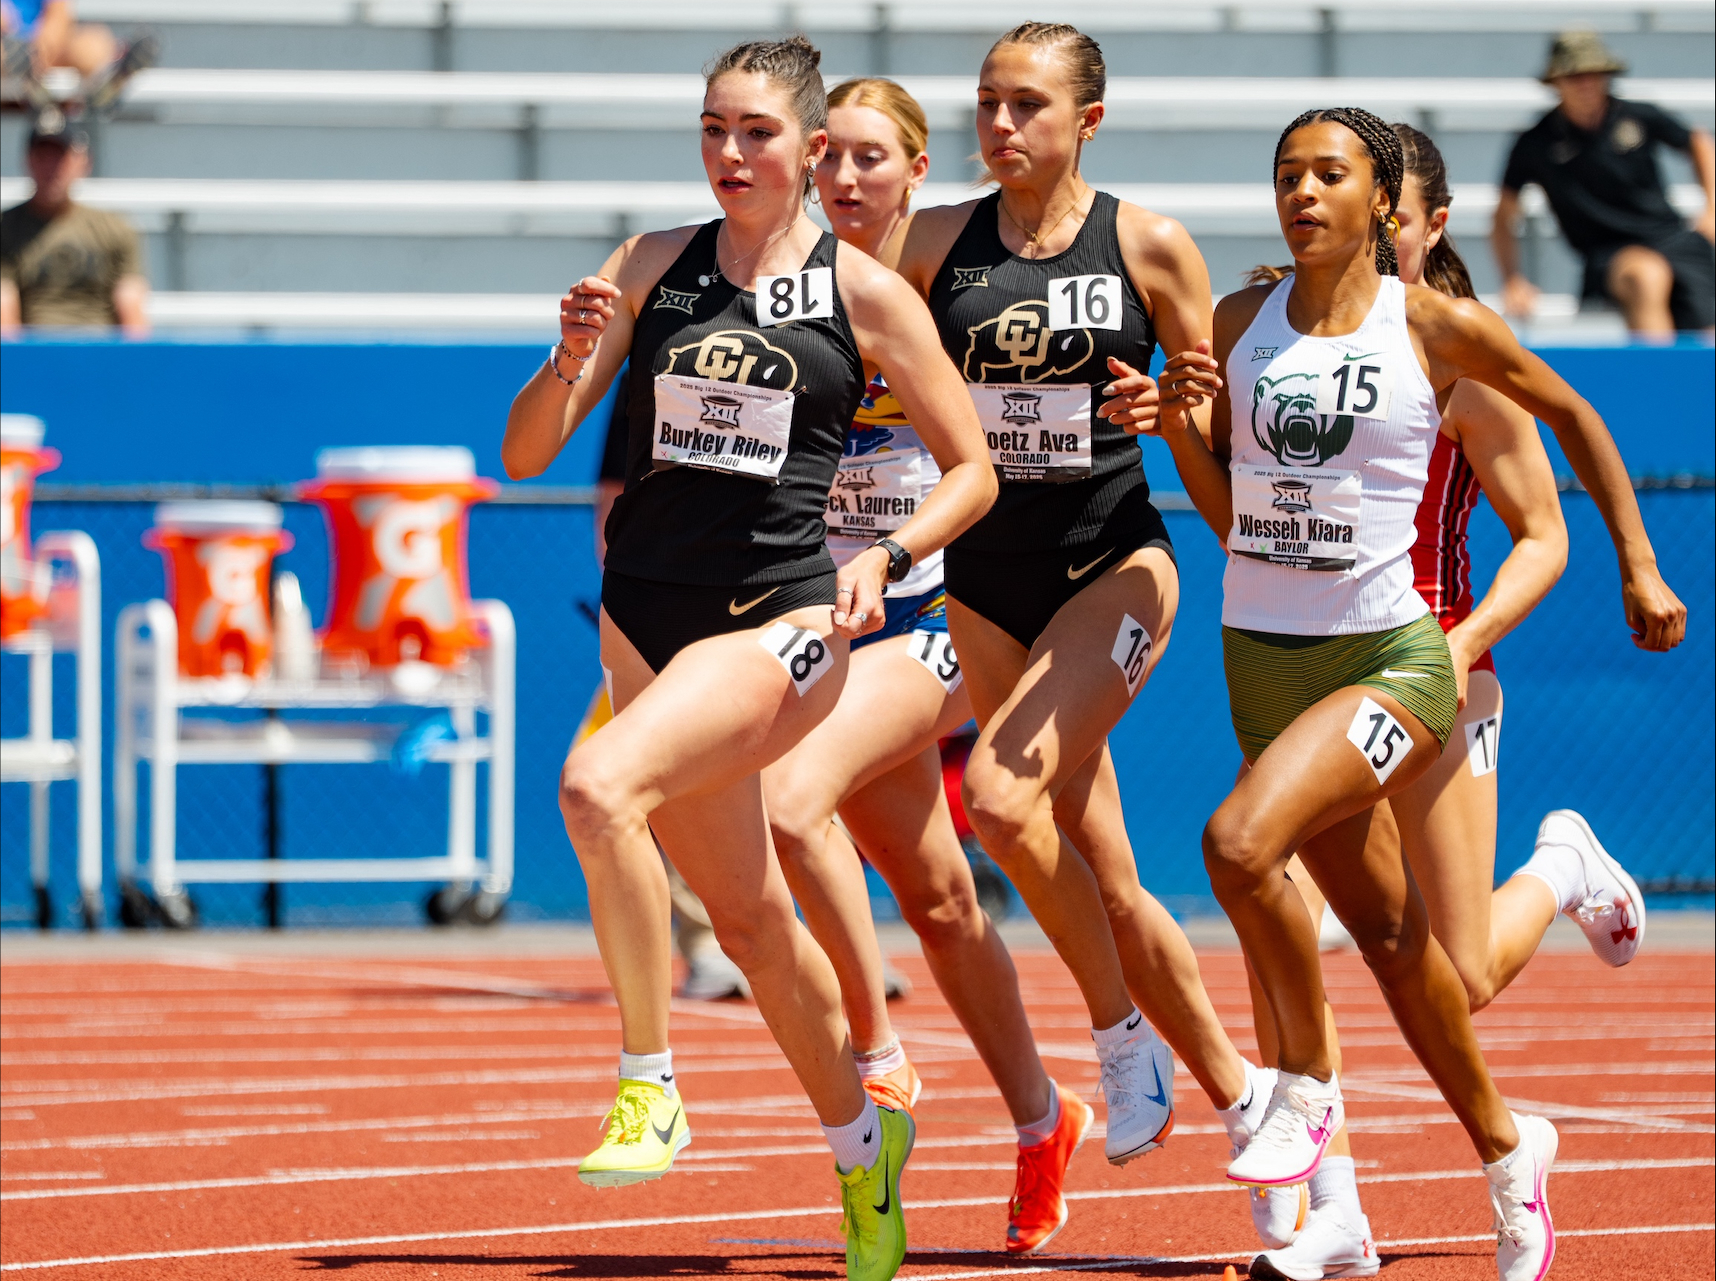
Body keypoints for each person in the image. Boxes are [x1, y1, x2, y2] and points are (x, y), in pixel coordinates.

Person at [1154, 104, 1685, 1281]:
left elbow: (1546, 520)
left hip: (1422, 656)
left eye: (1339, 181)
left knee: (1267, 860)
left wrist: (1578, 591)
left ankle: (1552, 875)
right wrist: (1178, 424)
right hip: (1277, 656)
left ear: (1408, 213)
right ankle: (1452, 1173)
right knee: (1390, 946)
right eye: (1287, 173)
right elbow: (1245, 517)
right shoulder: (1251, 328)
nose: (1308, 197)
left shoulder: (1445, 335)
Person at [502, 36, 996, 1281]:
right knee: (758, 926)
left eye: (757, 133)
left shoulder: (867, 296)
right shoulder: (655, 264)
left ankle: (647, 1080)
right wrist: (567, 356)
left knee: (598, 788)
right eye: (715, 129)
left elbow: (975, 471)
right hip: (642, 619)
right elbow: (521, 453)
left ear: (813, 149)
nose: (731, 153)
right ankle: (861, 1151)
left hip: (778, 620)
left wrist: (887, 553)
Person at [889, 20, 1277, 1178]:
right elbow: (876, 384)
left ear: (1086, 123)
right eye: (988, 103)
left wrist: (1179, 411)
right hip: (985, 579)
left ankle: (1117, 1038)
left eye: (1028, 106)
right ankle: (1248, 1095)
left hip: (1113, 561)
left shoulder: (1150, 246)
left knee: (1003, 804)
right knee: (1105, 875)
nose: (1001, 125)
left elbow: (1212, 433)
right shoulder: (930, 245)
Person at [762, 75, 1089, 1255]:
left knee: (791, 807)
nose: (845, 181)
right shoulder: (779, 285)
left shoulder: (947, 290)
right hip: (820, 616)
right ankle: (1044, 1119)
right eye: (829, 159)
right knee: (942, 900)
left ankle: (879, 1058)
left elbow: (1027, 432)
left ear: (914, 170)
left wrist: (1149, 404)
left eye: (871, 160)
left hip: (941, 608)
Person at [1492, 29, 1715, 336]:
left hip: (1673, 239)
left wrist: (1712, 208)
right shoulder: (1537, 144)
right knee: (1645, 276)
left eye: (1595, 74)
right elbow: (1503, 215)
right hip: (1609, 255)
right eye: (1575, 76)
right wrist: (1512, 279)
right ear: (1556, 82)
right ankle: (1660, 378)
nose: (1586, 84)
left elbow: (1698, 141)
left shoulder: (1638, 115)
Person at [1, 113, 147, 336]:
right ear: (28, 161)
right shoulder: (6, 228)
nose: (51, 168)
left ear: (83, 162)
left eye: (59, 157)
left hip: (99, 353)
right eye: (43, 156)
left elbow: (132, 313)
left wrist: (133, 364)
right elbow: (5, 314)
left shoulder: (114, 230)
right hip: (35, 353)